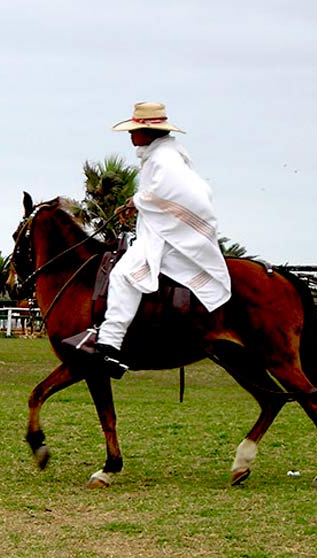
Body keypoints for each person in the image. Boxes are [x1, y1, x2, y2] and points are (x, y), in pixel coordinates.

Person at [91, 102, 232, 377]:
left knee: (124, 274)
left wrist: (136, 200)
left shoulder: (163, 158)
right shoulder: (165, 153)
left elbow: (165, 193)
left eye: (134, 130)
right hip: (166, 225)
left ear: (148, 131)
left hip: (170, 231)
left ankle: (109, 344)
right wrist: (139, 202)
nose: (130, 136)